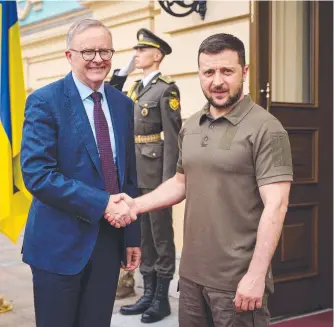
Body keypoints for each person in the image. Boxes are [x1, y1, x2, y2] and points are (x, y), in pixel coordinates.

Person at [107, 33, 293, 327]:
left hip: (236, 282)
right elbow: (180, 183)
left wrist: (256, 275)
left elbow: (277, 204)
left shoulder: (267, 129)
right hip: (192, 277)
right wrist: (134, 206)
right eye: (208, 72)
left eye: (226, 71)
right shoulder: (191, 125)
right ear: (199, 74)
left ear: (244, 72)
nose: (217, 81)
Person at [20, 19, 140, 327]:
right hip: (58, 245)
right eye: (88, 51)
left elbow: (128, 176)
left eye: (104, 50)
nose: (98, 59)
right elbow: (37, 174)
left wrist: (132, 236)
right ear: (69, 55)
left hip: (107, 244)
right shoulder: (45, 101)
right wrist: (102, 203)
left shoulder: (122, 104)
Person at [109, 28, 182, 323]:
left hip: (156, 173)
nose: (136, 55)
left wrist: (168, 183)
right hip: (135, 172)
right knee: (141, 235)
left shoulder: (167, 89)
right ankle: (147, 294)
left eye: (141, 51)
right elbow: (112, 98)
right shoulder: (136, 87)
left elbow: (174, 139)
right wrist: (121, 73)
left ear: (157, 55)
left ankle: (161, 298)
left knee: (160, 235)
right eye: (136, 50)